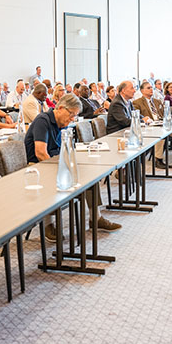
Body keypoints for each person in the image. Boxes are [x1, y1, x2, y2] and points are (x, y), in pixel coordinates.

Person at [24, 94, 121, 240]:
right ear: (61, 108)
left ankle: (96, 218)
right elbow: (40, 153)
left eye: (75, 116)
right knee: (63, 176)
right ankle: (48, 224)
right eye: (72, 114)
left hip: (56, 160)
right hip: (37, 166)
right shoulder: (42, 121)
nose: (72, 119)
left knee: (89, 175)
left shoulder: (62, 123)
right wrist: (62, 168)